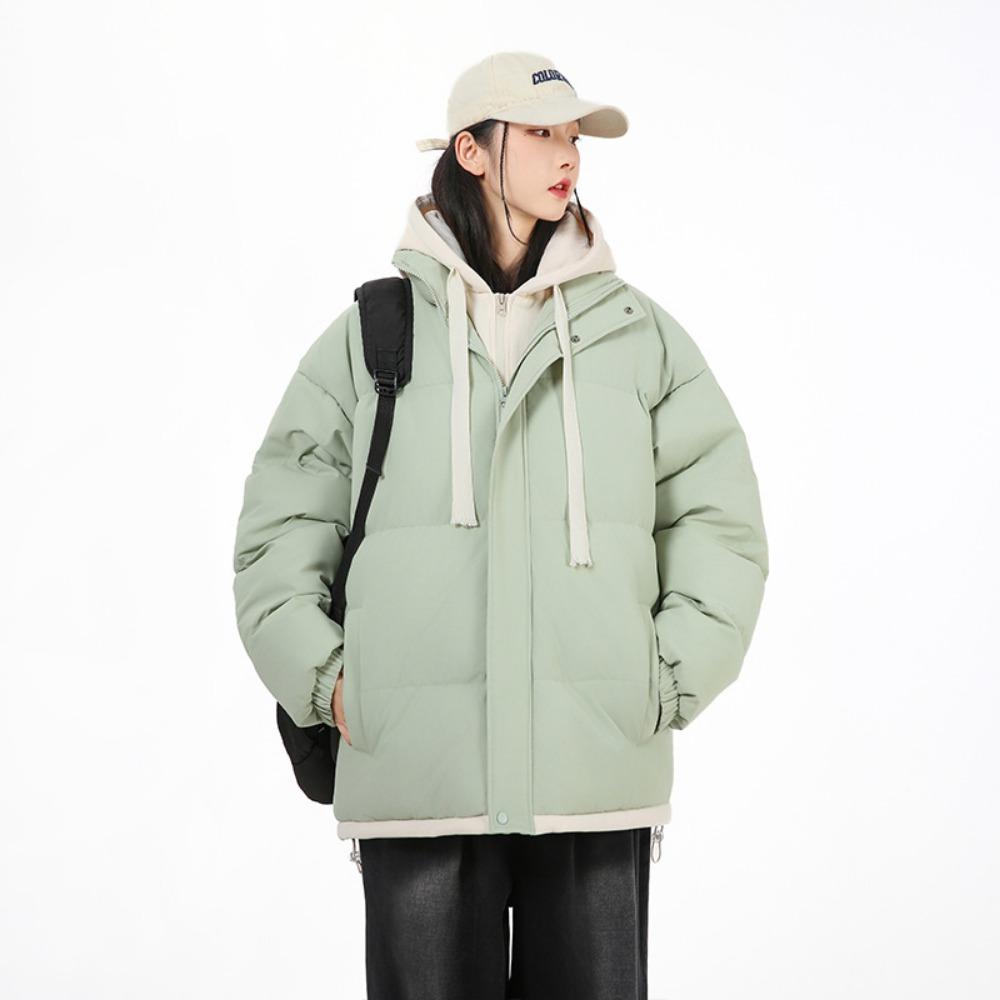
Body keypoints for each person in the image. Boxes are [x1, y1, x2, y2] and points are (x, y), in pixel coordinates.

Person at [232, 50, 769, 1000]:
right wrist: (330, 682)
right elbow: (279, 530)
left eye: (574, 136)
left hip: (594, 769)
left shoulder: (636, 336)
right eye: (542, 133)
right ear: (472, 152)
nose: (569, 156)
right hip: (418, 775)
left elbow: (719, 517)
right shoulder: (373, 337)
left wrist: (667, 676)